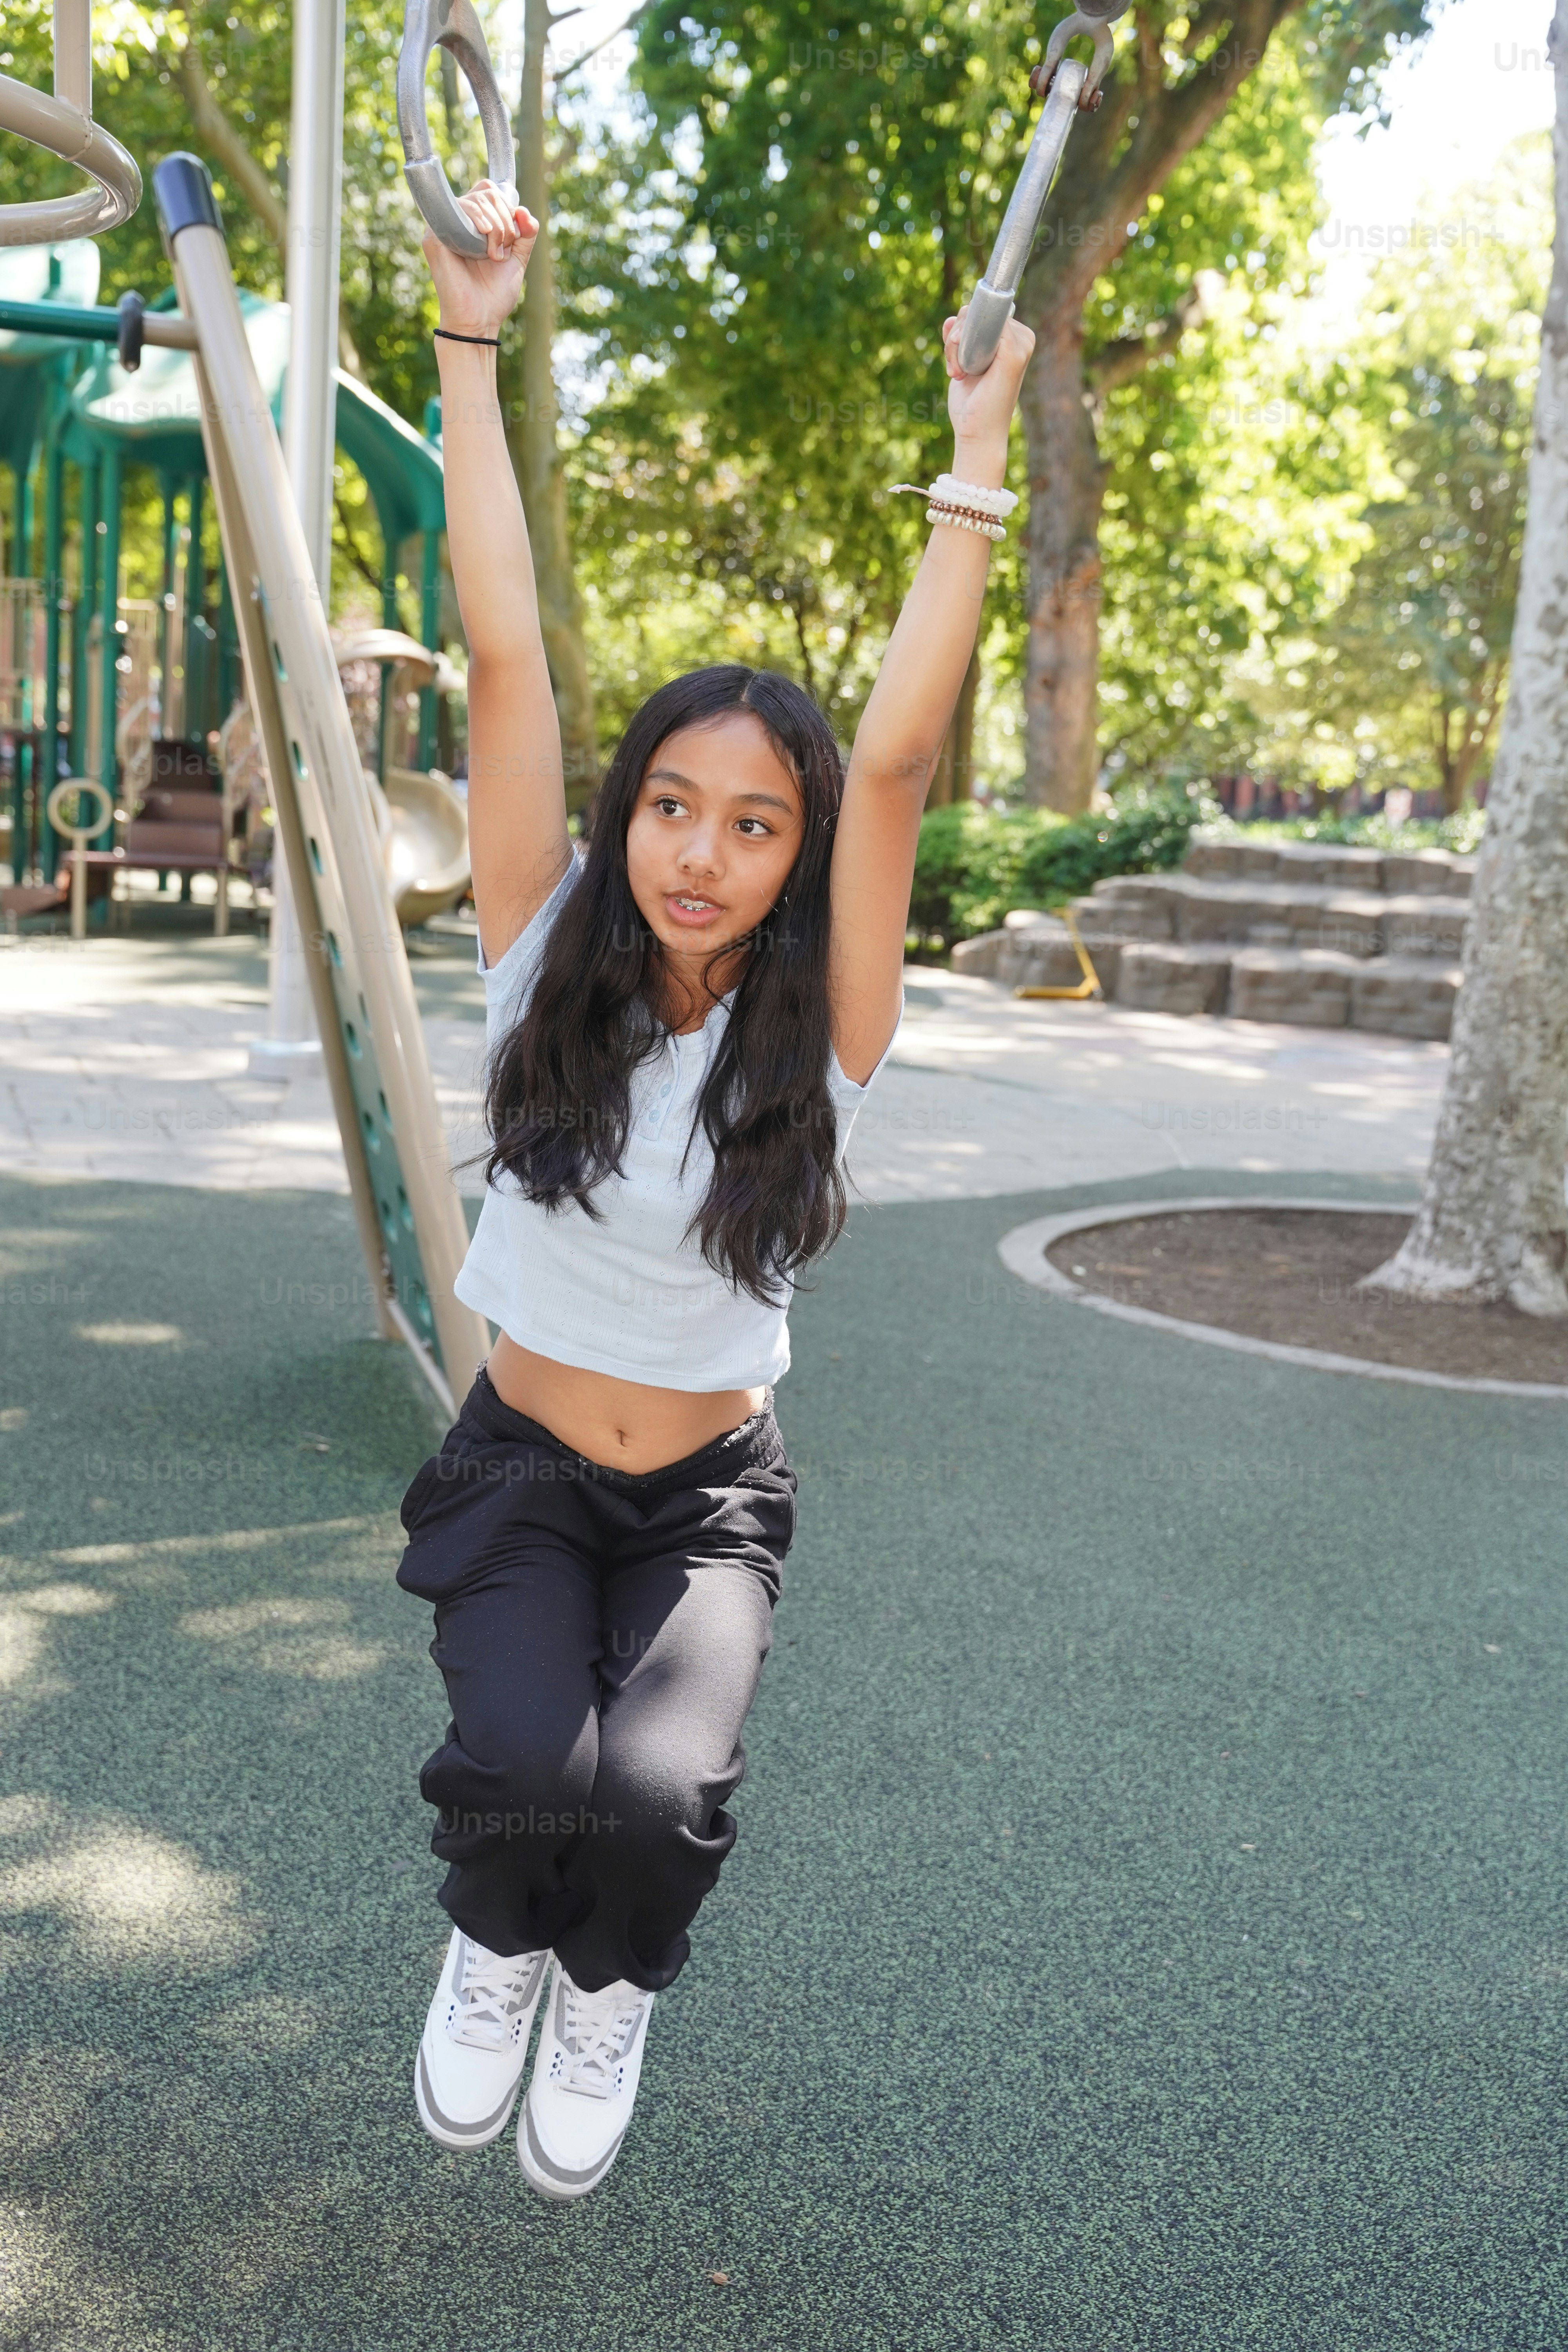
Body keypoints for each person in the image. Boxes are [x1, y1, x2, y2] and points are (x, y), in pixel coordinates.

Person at [397, 178, 1036, 2202]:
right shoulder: (542, 953)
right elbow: (507, 653)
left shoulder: (821, 1033)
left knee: (660, 1800)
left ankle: (609, 1986)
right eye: (673, 803)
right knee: (522, 1771)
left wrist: (977, 458)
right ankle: (497, 1953)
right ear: (627, 815)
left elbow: (912, 758)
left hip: (704, 1501)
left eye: (755, 824)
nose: (701, 848)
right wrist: (470, 345)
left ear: (795, 858)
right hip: (517, 1466)